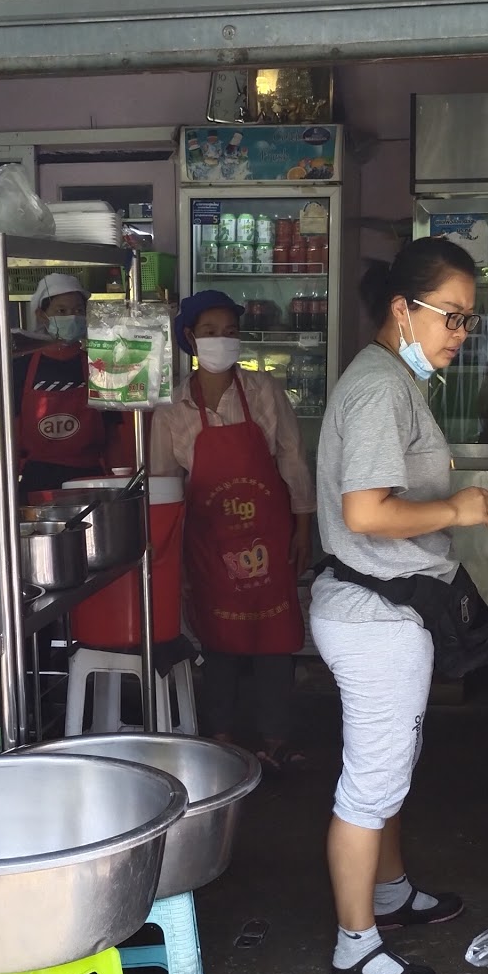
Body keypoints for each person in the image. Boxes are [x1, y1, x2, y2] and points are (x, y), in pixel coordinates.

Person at [310, 238, 488, 974]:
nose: (458, 334)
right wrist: (455, 508)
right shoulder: (380, 389)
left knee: (388, 769)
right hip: (371, 615)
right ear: (402, 310)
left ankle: (389, 897)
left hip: (380, 610)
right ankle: (357, 944)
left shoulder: (389, 378)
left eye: (466, 322)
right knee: (372, 782)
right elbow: (366, 511)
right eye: (450, 318)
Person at [151, 289, 314, 770]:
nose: (222, 340)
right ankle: (220, 740)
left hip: (269, 534)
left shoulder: (264, 392)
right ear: (188, 339)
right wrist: (171, 558)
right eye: (209, 332)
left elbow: (292, 460)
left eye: (230, 332)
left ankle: (275, 738)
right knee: (217, 638)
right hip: (207, 542)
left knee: (275, 639)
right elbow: (164, 486)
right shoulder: (171, 409)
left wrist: (303, 530)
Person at [14, 272, 114, 494]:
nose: (72, 316)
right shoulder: (21, 367)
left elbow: (114, 428)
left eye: (79, 310)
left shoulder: (97, 365)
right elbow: (8, 430)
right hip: (36, 479)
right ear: (42, 315)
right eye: (61, 311)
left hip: (90, 478)